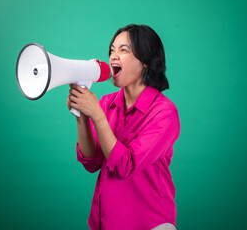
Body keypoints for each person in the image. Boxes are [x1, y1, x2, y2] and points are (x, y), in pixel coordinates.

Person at [67, 24, 180, 230]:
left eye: (123, 49)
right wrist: (82, 115)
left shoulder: (164, 113)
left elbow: (125, 165)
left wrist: (98, 116)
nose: (113, 56)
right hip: (108, 222)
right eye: (112, 49)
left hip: (149, 223)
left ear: (145, 60)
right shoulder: (107, 104)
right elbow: (92, 162)